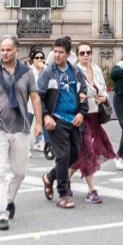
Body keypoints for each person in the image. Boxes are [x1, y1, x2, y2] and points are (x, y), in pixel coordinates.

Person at [0, 37, 42, 231]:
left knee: (20, 172)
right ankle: (1, 213)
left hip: (21, 127)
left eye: (8, 50)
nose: (4, 53)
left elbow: (35, 97)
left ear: (16, 50)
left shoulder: (26, 73)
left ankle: (8, 199)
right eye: (2, 50)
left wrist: (39, 122)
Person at [39, 36, 87, 209]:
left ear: (68, 54)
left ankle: (49, 177)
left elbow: (83, 94)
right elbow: (39, 97)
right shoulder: (48, 72)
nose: (57, 55)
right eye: (55, 51)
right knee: (62, 156)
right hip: (56, 120)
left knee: (75, 155)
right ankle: (63, 194)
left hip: (73, 121)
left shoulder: (75, 72)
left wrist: (82, 113)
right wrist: (45, 116)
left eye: (61, 52)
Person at [71, 43, 116, 204]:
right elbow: (73, 93)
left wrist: (103, 97)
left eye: (88, 52)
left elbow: (103, 90)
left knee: (83, 153)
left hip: (95, 115)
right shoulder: (75, 72)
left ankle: (57, 179)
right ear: (77, 55)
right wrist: (84, 96)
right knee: (88, 152)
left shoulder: (96, 69)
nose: (85, 55)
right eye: (82, 53)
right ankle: (91, 190)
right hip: (82, 116)